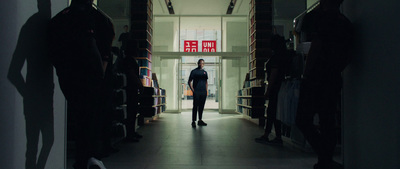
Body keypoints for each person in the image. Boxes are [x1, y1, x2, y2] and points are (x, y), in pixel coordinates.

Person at [47, 0, 115, 168]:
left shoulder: (60, 19)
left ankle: (86, 158)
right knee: (90, 118)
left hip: (74, 79)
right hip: (86, 78)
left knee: (84, 119)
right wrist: (101, 73)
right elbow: (105, 51)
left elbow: (54, 52)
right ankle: (90, 157)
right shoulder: (98, 19)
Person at [295, 0, 353, 168]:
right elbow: (348, 56)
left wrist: (306, 74)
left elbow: (317, 47)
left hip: (315, 77)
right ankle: (325, 161)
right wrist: (335, 69)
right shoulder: (345, 23)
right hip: (333, 78)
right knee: (327, 121)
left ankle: (325, 158)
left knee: (303, 119)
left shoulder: (324, 19)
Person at [7, 0, 54, 168]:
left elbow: (13, 71)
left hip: (36, 94)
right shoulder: (47, 27)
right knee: (45, 141)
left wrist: (28, 93)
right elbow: (13, 72)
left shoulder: (31, 27)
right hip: (42, 94)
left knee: (34, 146)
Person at [255, 26, 288, 146]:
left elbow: (273, 74)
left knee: (271, 112)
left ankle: (268, 135)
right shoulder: (283, 56)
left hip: (275, 88)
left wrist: (268, 90)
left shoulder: (275, 58)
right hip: (281, 87)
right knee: (274, 113)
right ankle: (276, 136)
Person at [188, 59, 208, 128]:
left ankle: (200, 120)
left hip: (203, 92)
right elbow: (189, 81)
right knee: (195, 107)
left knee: (201, 107)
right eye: (200, 63)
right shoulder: (194, 72)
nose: (201, 64)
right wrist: (193, 90)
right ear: (198, 63)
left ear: (203, 64)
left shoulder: (205, 72)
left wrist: (206, 90)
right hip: (196, 92)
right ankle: (193, 121)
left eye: (202, 63)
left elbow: (206, 82)